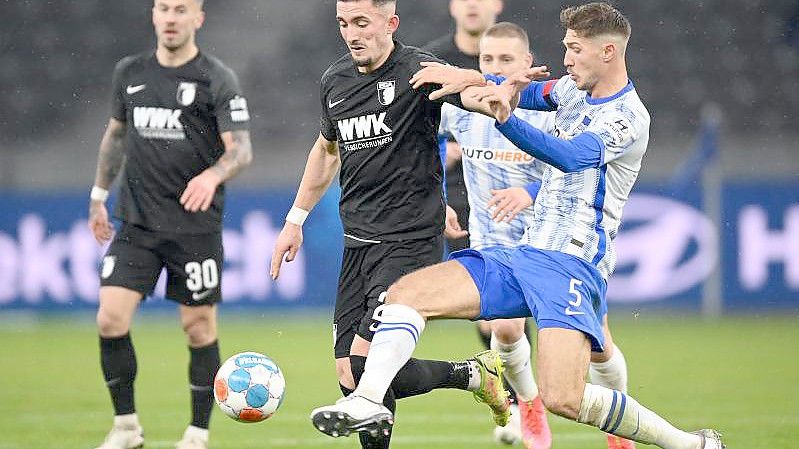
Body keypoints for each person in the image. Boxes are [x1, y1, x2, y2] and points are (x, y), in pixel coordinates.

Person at [310, 3, 726, 449]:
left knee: (564, 396)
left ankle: (689, 445)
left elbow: (568, 156)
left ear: (607, 51)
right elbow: (520, 93)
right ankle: (369, 399)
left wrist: (504, 117)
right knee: (405, 295)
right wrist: (470, 79)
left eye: (573, 49)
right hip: (524, 253)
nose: (565, 59)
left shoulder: (626, 117)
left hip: (571, 265)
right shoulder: (571, 91)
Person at [270, 1, 510, 448]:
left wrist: (489, 95)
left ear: (390, 23)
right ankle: (473, 374)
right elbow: (326, 152)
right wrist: (294, 220)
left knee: (366, 365)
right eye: (344, 23)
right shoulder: (335, 80)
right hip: (357, 242)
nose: (352, 33)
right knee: (348, 372)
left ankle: (474, 375)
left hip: (410, 241)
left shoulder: (420, 70)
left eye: (362, 23)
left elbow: (468, 96)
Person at [88, 1, 253, 448]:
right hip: (138, 224)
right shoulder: (130, 71)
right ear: (154, 15)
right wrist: (99, 195)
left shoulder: (216, 77)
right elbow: (116, 135)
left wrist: (213, 174)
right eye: (164, 8)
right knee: (109, 319)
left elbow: (240, 150)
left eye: (181, 9)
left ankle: (197, 434)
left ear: (197, 18)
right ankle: (126, 428)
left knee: (198, 327)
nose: (171, 17)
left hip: (195, 227)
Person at [437, 21, 553, 449]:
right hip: (496, 246)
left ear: (527, 63)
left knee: (596, 348)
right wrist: (439, 196)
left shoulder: (551, 113)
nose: (496, 69)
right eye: (488, 60)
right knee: (503, 328)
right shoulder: (466, 109)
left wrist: (530, 191)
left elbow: (580, 176)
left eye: (506, 60)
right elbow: (429, 138)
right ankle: (529, 405)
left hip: (554, 241)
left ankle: (621, 435)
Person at [424, 0, 504, 254]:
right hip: (448, 194)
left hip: (505, 196)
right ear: (451, 6)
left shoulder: (522, 65)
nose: (471, 4)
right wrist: (436, 152)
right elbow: (408, 129)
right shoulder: (430, 63)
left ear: (498, 4)